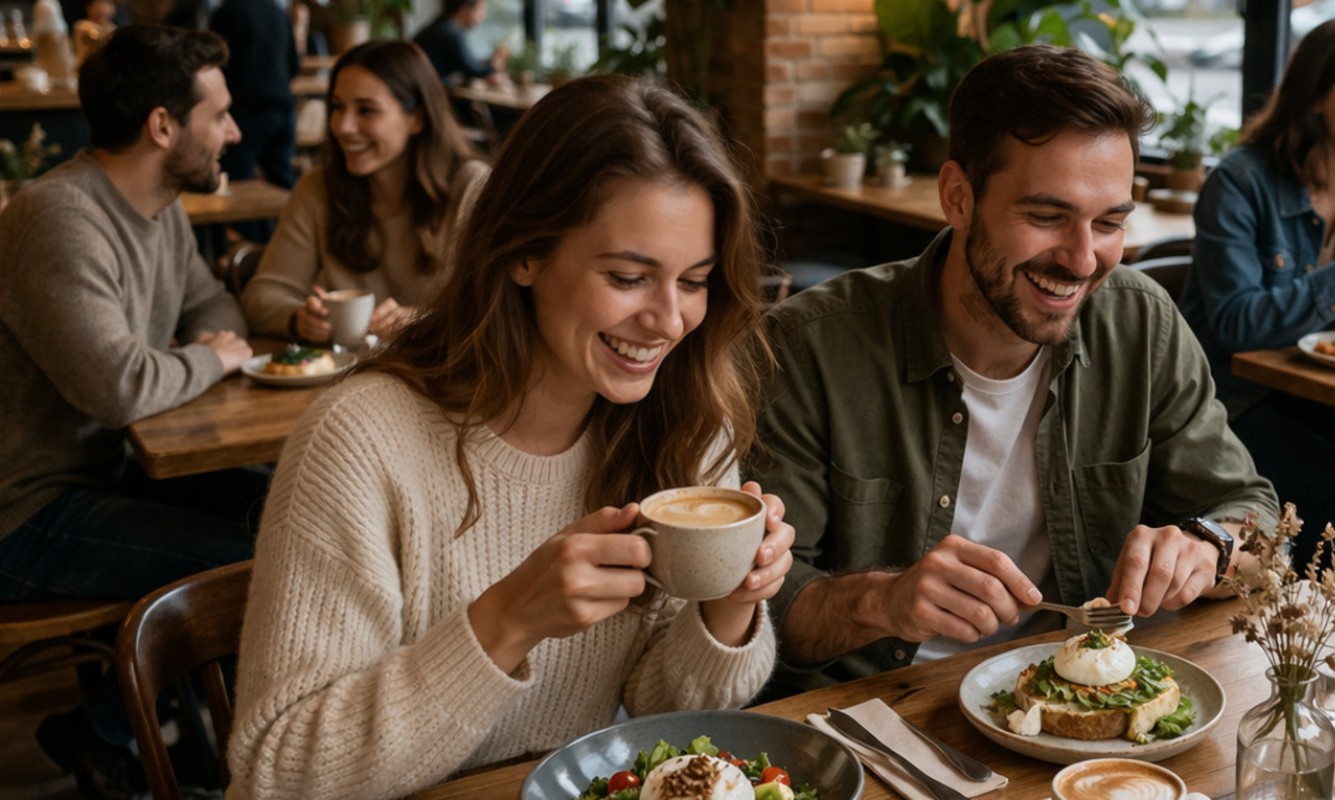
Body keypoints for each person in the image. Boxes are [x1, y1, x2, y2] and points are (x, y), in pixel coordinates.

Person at [228, 75, 792, 800]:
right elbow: (278, 773)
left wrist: (731, 601)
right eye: (628, 276)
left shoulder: (684, 418)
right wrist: (505, 622)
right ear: (524, 254)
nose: (670, 320)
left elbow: (670, 713)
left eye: (695, 280)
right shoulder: (362, 439)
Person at [749, 44, 1278, 685]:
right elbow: (758, 610)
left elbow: (1251, 512)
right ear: (958, 197)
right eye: (1047, 216)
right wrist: (880, 602)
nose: (1083, 260)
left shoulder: (1140, 323)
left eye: (1109, 222)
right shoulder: (809, 348)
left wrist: (1211, 547)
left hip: (1080, 704)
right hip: (874, 715)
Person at [0, 23, 256, 796]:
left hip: (111, 472)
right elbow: (120, 386)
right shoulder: (57, 217)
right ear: (163, 126)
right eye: (221, 115)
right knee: (248, 568)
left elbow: (218, 307)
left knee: (285, 508)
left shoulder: (162, 206)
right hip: (26, 510)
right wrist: (210, 358)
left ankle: (116, 731)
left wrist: (208, 346)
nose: (235, 133)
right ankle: (245, 764)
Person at [1180, 18, 1335, 584]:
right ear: (1316, 93)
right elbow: (1236, 322)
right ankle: (1287, 631)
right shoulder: (1240, 182)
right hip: (1232, 397)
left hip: (1325, 392)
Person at [241, 40, 487, 342]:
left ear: (417, 118)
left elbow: (502, 313)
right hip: (343, 380)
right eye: (337, 107)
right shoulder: (317, 190)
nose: (343, 126)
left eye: (366, 111)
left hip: (441, 382)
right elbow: (261, 295)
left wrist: (426, 322)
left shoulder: (472, 188)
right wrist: (298, 317)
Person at [210, 0, 298, 245]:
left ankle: (248, 250)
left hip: (247, 111)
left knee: (237, 185)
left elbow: (216, 66)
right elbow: (294, 63)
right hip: (284, 108)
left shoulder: (228, 12)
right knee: (283, 181)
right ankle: (289, 243)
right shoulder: (278, 12)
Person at [412, 0, 507, 88]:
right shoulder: (450, 33)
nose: (482, 18)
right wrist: (495, 63)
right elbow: (474, 70)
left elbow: (468, 64)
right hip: (429, 94)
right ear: (465, 9)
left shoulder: (441, 25)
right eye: (481, 10)